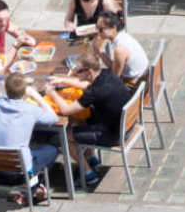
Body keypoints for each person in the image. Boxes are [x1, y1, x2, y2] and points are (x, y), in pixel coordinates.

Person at [45, 53, 129, 188]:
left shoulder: (95, 92)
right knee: (77, 120)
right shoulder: (107, 73)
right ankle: (91, 159)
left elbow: (66, 110)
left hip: (113, 135)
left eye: (77, 71)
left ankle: (88, 175)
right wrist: (62, 81)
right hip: (123, 125)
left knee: (67, 137)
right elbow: (85, 84)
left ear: (89, 72)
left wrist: (52, 93)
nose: (74, 73)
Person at [0, 74, 59, 206]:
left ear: (6, 90)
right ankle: (33, 188)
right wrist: (36, 95)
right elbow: (53, 118)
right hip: (18, 175)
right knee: (52, 150)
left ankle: (36, 187)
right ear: (25, 92)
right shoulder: (30, 109)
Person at [93, 12, 147, 81]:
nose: (97, 32)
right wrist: (100, 53)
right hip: (138, 73)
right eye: (96, 28)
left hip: (135, 80)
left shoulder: (119, 49)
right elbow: (114, 66)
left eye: (101, 29)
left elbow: (115, 78)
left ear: (113, 28)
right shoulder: (123, 35)